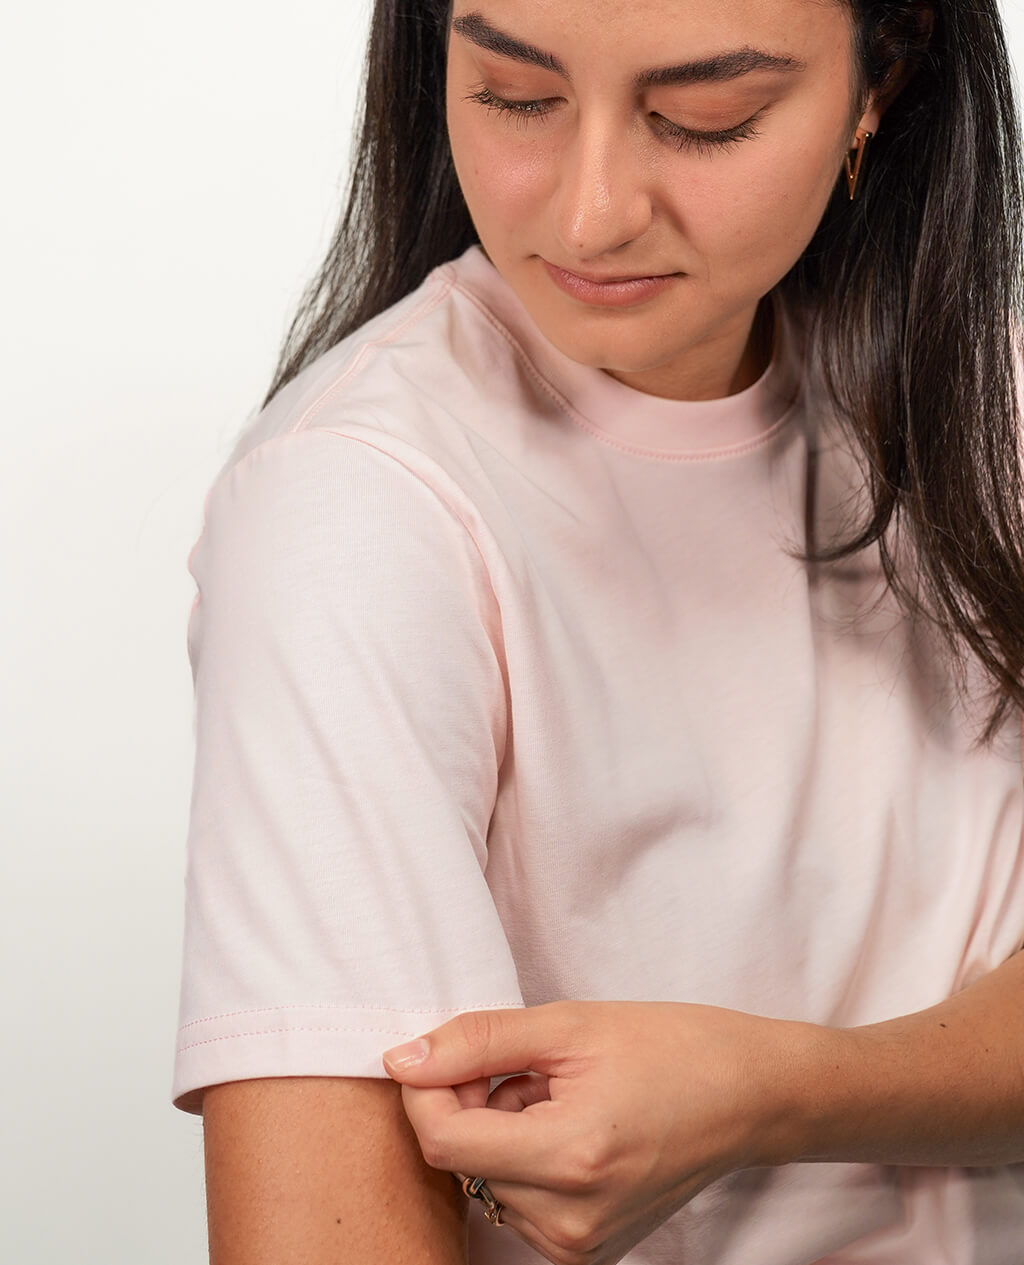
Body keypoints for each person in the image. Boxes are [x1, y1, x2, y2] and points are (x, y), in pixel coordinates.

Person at [170, 0, 1024, 1260]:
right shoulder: (354, 507)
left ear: (878, 82)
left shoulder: (981, 401)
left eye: (702, 117)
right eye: (517, 96)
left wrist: (766, 1091)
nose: (588, 213)